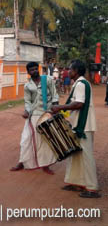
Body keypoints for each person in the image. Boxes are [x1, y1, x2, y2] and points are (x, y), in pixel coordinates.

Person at [51, 60, 100, 198]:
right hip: (80, 124)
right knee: (76, 154)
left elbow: (79, 104)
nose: (68, 71)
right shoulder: (80, 83)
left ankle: (91, 188)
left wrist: (60, 108)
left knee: (86, 156)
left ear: (76, 71)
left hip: (83, 126)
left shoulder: (80, 84)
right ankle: (76, 181)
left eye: (70, 69)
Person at [10, 62, 58, 175]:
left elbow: (55, 95)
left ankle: (46, 165)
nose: (35, 71)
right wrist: (26, 111)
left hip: (47, 113)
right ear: (28, 72)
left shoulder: (48, 80)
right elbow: (27, 101)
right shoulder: (27, 86)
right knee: (26, 139)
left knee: (45, 140)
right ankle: (22, 162)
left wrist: (55, 109)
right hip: (33, 114)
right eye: (32, 70)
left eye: (36, 69)